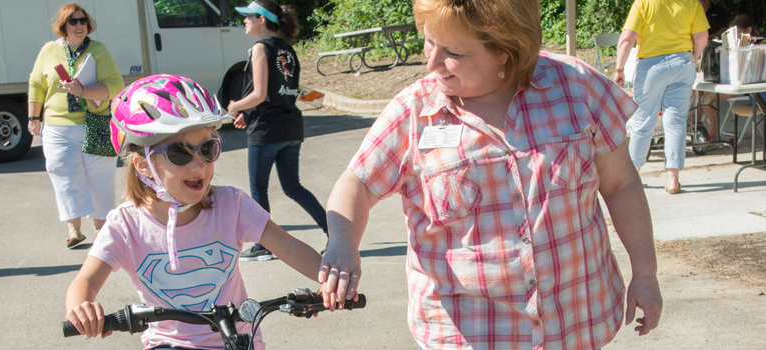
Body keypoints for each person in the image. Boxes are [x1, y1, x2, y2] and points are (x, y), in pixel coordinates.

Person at [319, 0, 661, 349]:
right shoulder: (413, 112)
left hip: (575, 323)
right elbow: (357, 182)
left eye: (453, 51)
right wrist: (343, 243)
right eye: (429, 41)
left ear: (505, 50)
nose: (432, 61)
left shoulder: (577, 88)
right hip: (469, 334)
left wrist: (645, 273)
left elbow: (622, 184)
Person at [64, 75, 330, 349]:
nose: (199, 166)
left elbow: (286, 246)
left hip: (237, 339)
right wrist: (81, 306)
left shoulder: (232, 205)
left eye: (207, 149)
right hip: (169, 344)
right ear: (143, 165)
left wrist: (330, 280)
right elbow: (86, 279)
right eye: (179, 154)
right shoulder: (126, 225)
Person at [228, 0, 328, 261]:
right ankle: (336, 232)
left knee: (259, 190)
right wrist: (247, 114)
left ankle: (264, 245)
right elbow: (280, 91)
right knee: (294, 187)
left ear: (262, 19)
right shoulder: (287, 49)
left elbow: (260, 94)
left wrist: (235, 106)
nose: (244, 20)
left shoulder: (260, 48)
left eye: (248, 16)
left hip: (268, 132)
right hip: (291, 128)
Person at [27, 3, 124, 248]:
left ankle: (102, 230)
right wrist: (33, 117)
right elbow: (36, 84)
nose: (79, 25)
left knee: (100, 178)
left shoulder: (98, 50)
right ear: (63, 26)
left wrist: (82, 91)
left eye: (82, 21)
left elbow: (115, 85)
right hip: (57, 126)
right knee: (64, 175)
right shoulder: (49, 50)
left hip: (96, 122)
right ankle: (74, 230)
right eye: (73, 21)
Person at [614, 0, 709, 194]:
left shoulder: (644, 3)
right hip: (683, 63)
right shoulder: (692, 4)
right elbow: (702, 38)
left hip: (651, 67)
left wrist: (619, 69)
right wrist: (692, 58)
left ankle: (634, 176)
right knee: (675, 122)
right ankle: (673, 180)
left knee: (643, 121)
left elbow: (627, 38)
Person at [700, 14, 759, 142]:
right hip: (735, 83)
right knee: (702, 96)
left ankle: (713, 137)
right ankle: (707, 132)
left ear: (748, 31)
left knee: (705, 99)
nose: (736, 38)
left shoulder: (755, 45)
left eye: (738, 34)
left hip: (745, 87)